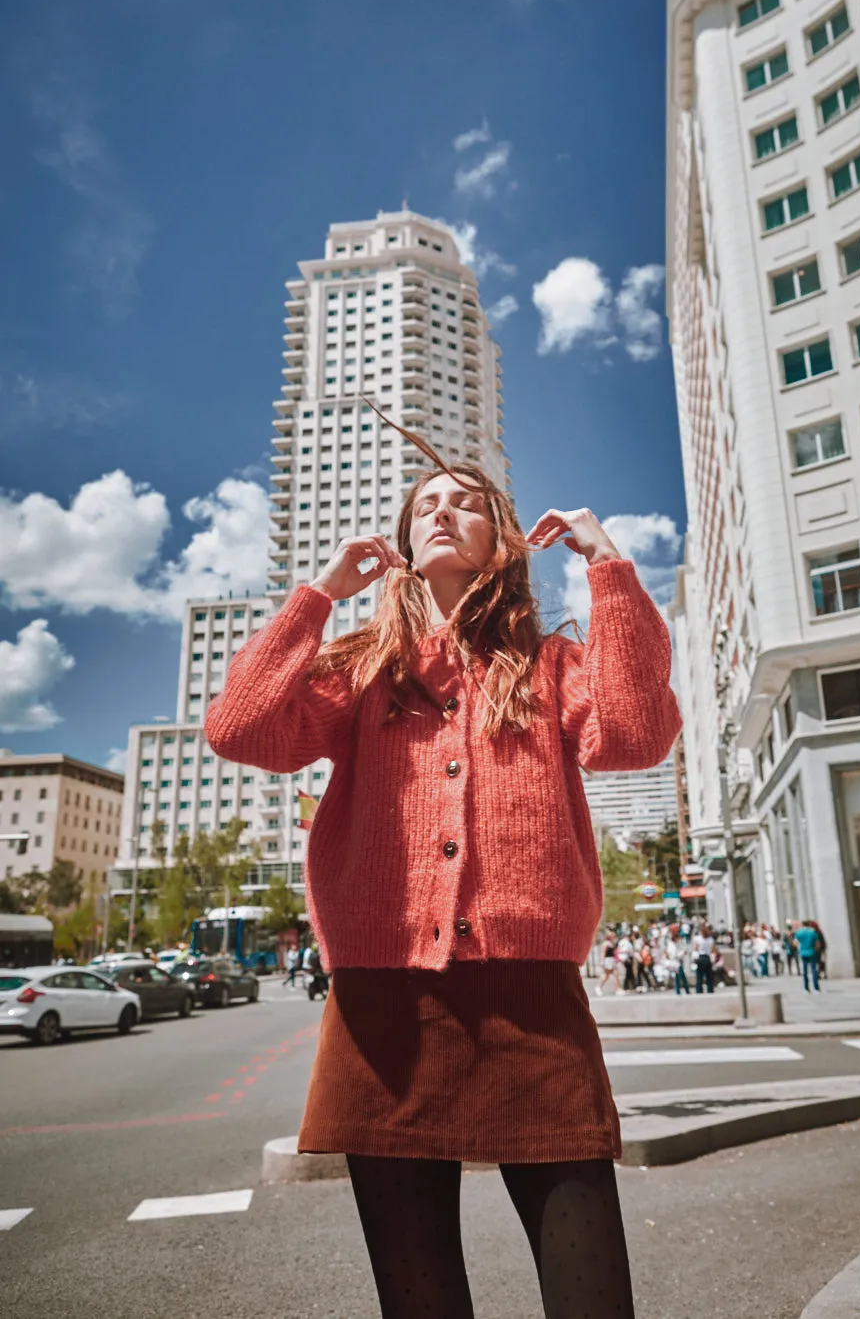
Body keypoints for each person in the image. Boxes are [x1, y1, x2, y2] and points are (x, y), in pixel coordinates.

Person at [204, 430, 681, 1319]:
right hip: (384, 1009)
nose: (441, 510)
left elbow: (637, 733)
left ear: (501, 541)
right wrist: (318, 598)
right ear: (404, 547)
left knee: (593, 1297)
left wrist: (608, 565)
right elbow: (239, 729)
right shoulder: (361, 667)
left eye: (463, 501)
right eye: (425, 503)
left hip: (531, 1003)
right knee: (419, 1299)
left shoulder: (550, 664)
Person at [793, 919, 821, 993]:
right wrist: (815, 949)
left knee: (805, 971)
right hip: (812, 952)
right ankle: (816, 988)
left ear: (802, 924)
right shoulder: (813, 932)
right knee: (814, 970)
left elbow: (795, 943)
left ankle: (806, 988)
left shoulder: (799, 933)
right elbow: (818, 944)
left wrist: (800, 946)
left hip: (803, 953)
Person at [596, 928, 621, 996]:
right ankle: (599, 987)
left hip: (612, 960)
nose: (614, 937)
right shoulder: (605, 943)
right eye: (613, 936)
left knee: (614, 974)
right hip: (608, 961)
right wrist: (602, 962)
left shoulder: (611, 943)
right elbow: (603, 953)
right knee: (608, 975)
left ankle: (618, 989)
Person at [692, 925, 714, 993]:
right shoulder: (711, 939)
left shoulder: (698, 939)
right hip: (707, 957)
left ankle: (699, 989)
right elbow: (713, 949)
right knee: (709, 976)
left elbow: (695, 948)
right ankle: (710, 989)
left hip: (701, 957)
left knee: (699, 976)